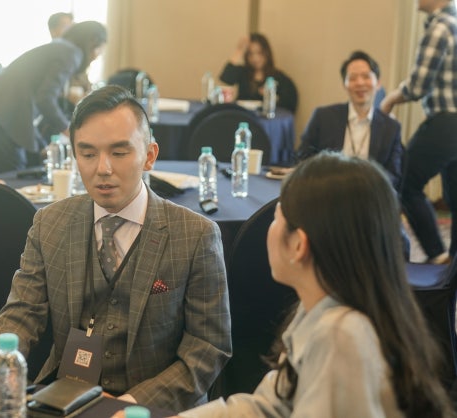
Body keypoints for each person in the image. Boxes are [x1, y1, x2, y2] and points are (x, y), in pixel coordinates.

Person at [0, 85, 231, 412]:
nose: (103, 169)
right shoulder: (50, 223)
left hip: (153, 407)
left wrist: (131, 404)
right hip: (65, 398)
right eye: (88, 154)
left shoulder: (195, 235)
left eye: (119, 153)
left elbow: (208, 347)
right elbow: (23, 310)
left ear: (149, 156)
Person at [169, 153, 454, 418]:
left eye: (277, 218)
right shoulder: (320, 310)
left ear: (299, 245)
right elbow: (271, 406)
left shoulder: (340, 336)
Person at [0, 21, 107, 178]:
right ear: (93, 42)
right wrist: (71, 131)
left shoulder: (59, 47)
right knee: (12, 184)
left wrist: (41, 144)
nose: (98, 55)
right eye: (100, 49)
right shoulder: (71, 53)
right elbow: (45, 99)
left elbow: (33, 101)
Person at [381, 0, 457, 265]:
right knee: (455, 198)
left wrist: (389, 100)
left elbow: (418, 86)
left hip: (446, 121)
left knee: (405, 182)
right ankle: (452, 268)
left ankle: (438, 255)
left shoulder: (440, 27)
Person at [297, 51, 403, 188]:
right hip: (326, 191)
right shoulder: (322, 117)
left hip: (370, 194)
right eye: (352, 78)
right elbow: (303, 158)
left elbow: (393, 176)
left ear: (378, 83)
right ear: (344, 85)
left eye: (366, 76)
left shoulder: (391, 127)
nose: (359, 83)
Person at [220, 33, 298, 113]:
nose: (255, 58)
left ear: (267, 53)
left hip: (267, 119)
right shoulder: (243, 73)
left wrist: (272, 96)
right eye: (250, 54)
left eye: (259, 53)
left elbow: (290, 105)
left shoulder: (278, 77)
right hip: (244, 116)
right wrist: (239, 51)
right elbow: (226, 79)